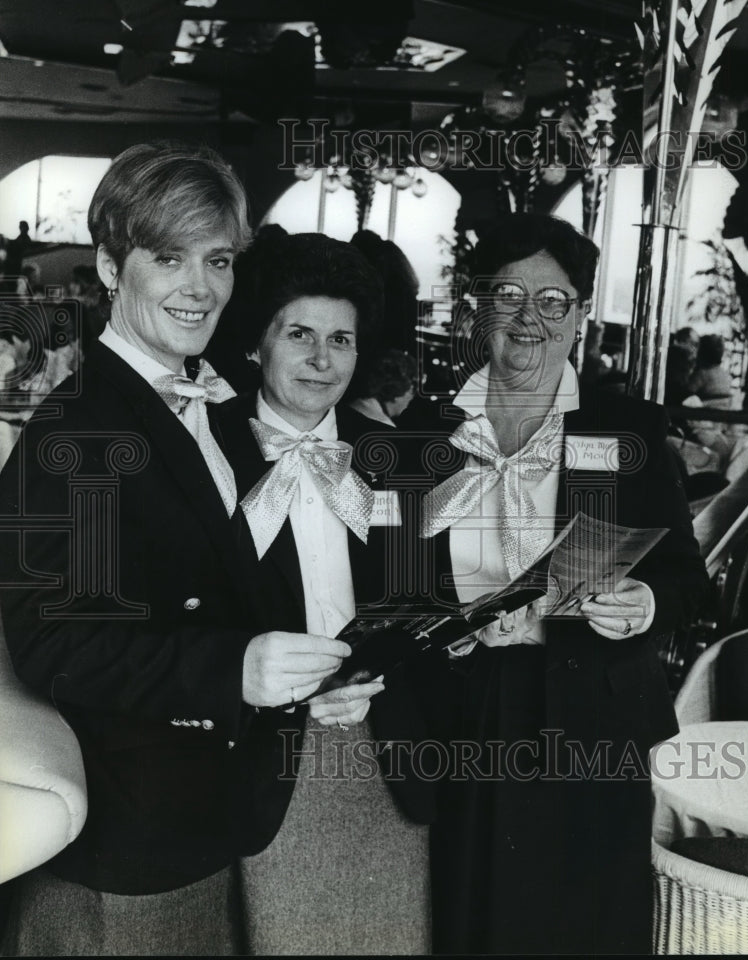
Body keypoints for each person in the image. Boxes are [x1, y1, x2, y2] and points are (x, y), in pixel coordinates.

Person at [0, 142, 351, 955]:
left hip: (208, 814)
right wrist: (234, 673)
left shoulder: (216, 407)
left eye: (218, 259)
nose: (199, 288)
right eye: (169, 257)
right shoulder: (79, 434)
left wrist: (302, 680)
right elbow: (56, 645)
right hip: (127, 843)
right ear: (111, 267)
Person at [418, 213, 709, 955]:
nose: (529, 318)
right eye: (508, 295)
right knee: (473, 910)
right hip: (468, 708)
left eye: (554, 302)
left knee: (586, 921)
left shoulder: (627, 427)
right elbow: (396, 580)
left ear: (581, 316)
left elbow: (687, 579)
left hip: (596, 711)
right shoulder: (428, 432)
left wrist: (646, 605)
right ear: (477, 308)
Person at [213, 231, 434, 956]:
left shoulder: (394, 462)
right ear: (256, 344)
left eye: (340, 339)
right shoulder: (204, 455)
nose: (321, 358)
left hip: (387, 759)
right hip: (257, 766)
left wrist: (382, 671)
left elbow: (422, 608)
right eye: (299, 333)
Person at [348, 347, 418, 426]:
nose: (411, 397)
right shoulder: (385, 426)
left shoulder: (353, 405)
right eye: (412, 389)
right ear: (400, 387)